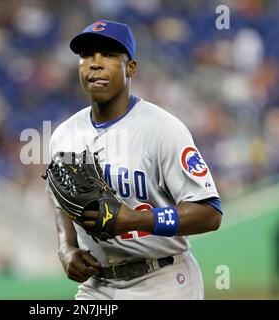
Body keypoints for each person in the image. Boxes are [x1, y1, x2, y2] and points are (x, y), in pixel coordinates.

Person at [45, 20, 223, 300]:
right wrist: (66, 246)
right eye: (87, 55)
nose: (95, 63)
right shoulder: (64, 135)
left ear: (131, 68)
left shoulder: (163, 129)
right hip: (97, 286)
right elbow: (62, 199)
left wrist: (136, 220)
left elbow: (210, 213)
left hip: (161, 280)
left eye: (109, 55)